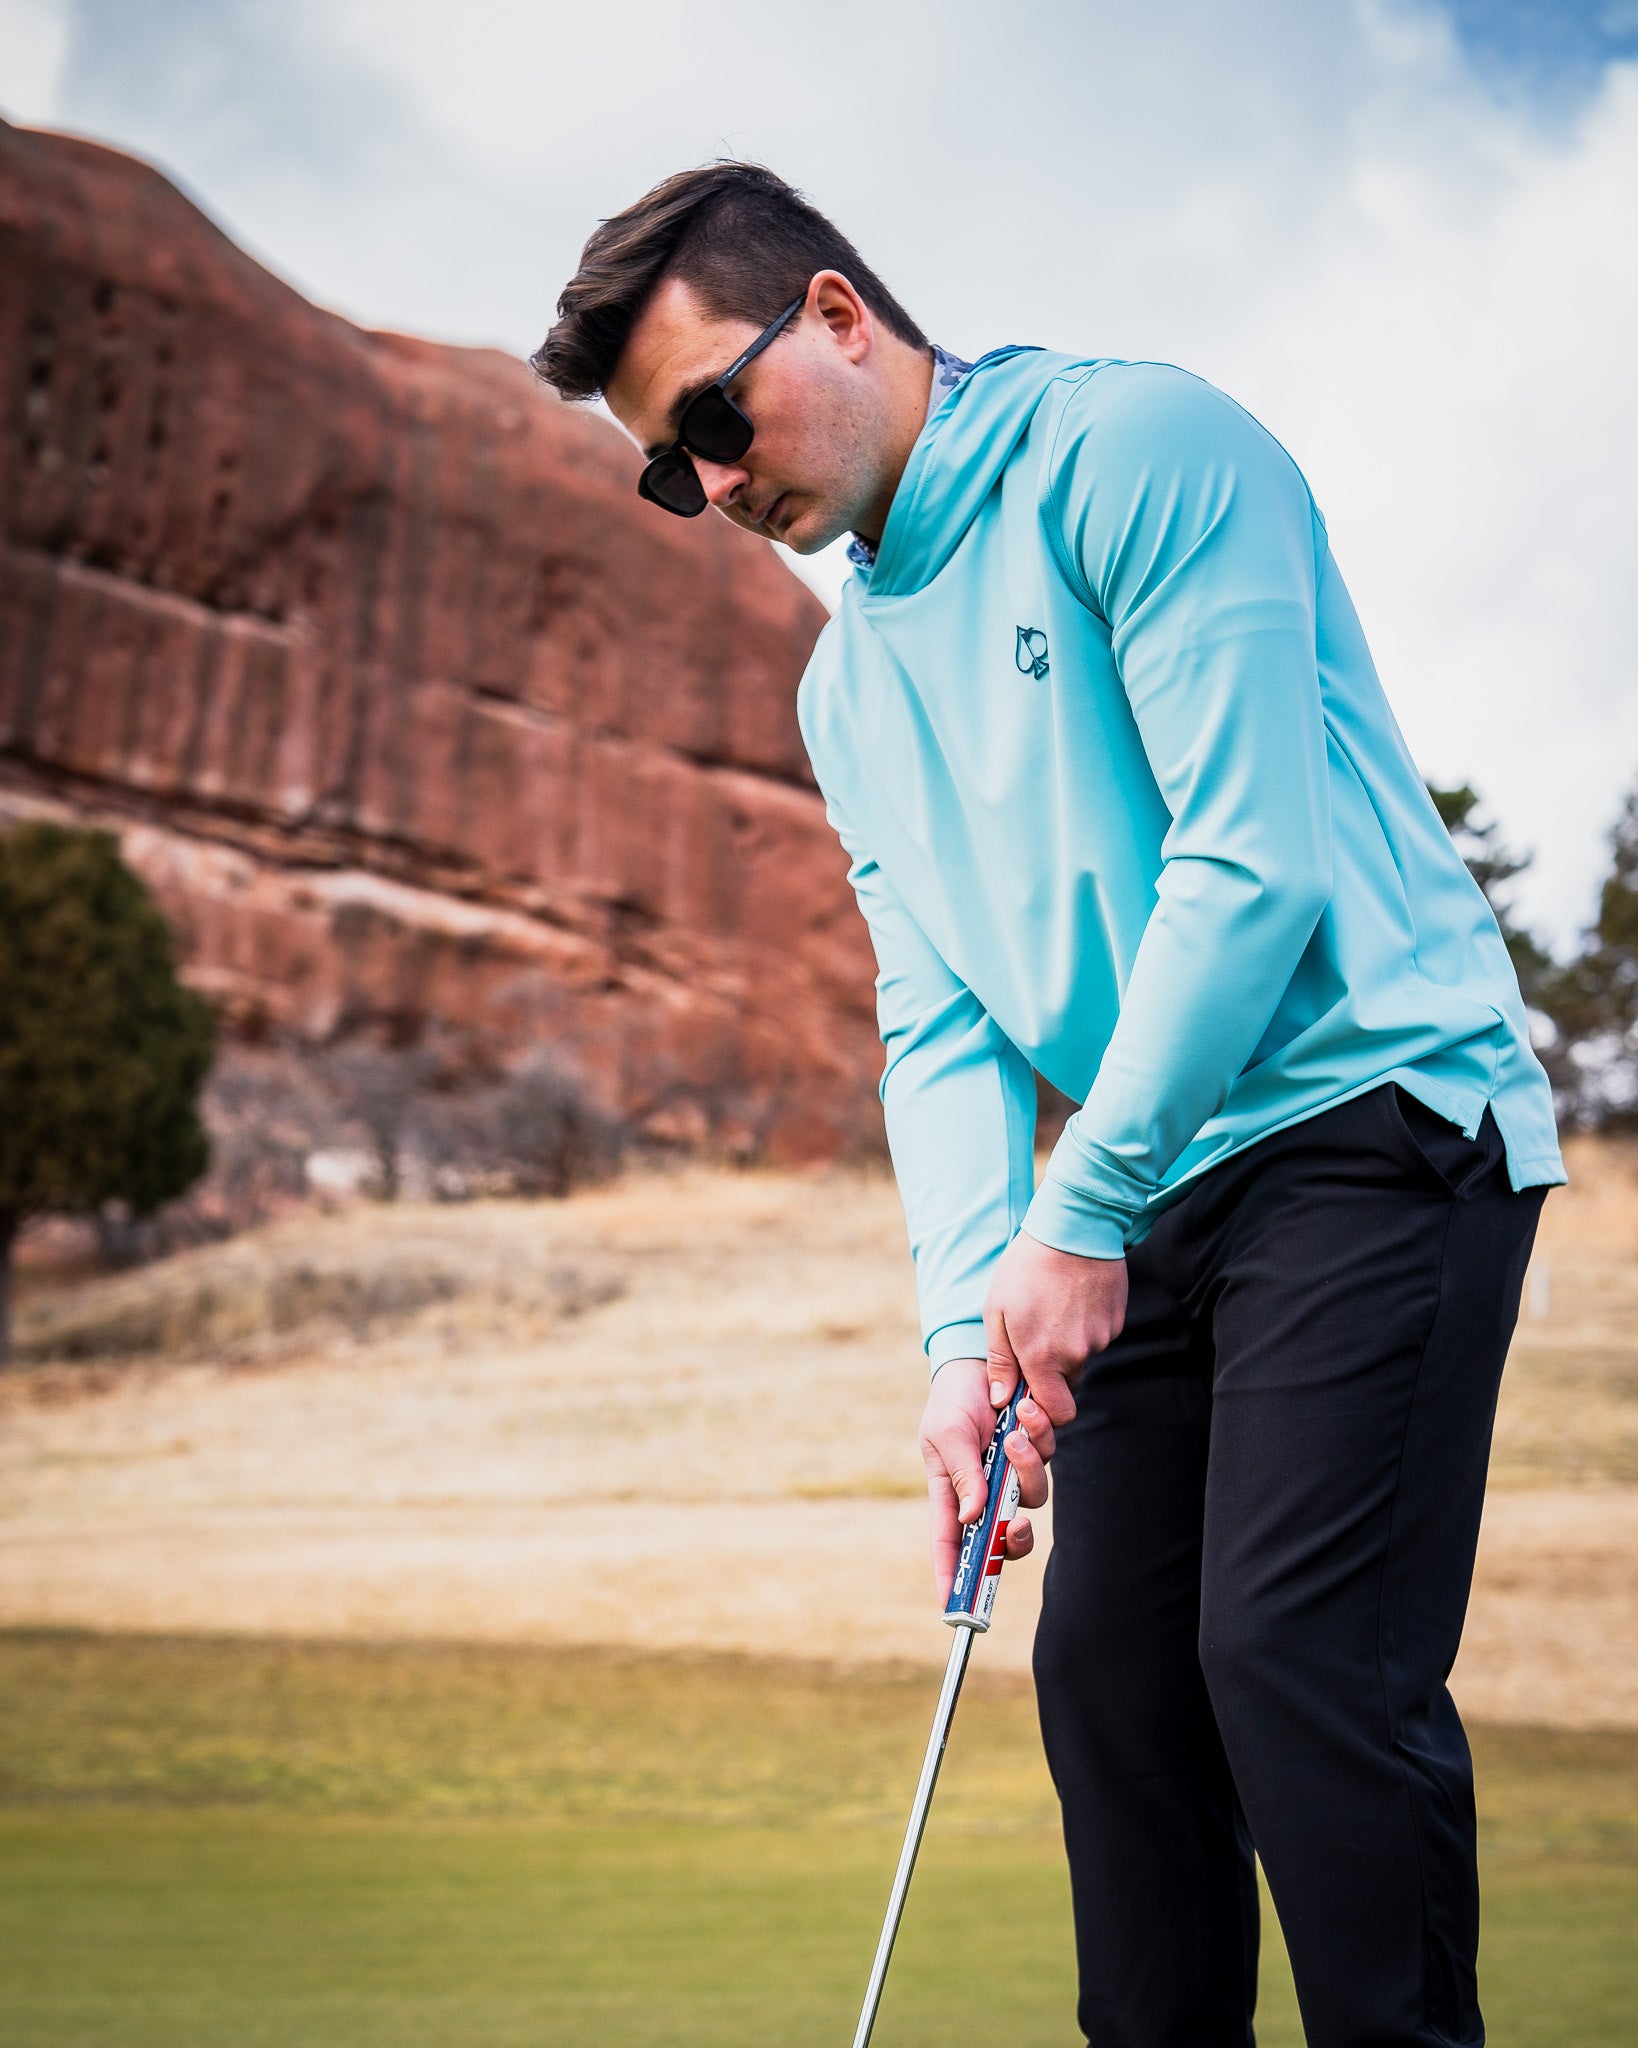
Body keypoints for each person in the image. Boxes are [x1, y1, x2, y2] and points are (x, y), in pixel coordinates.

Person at [533, 163, 1564, 2048]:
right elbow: (937, 1029)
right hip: (1157, 1182)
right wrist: (960, 1342)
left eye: (713, 421)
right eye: (669, 472)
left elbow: (1248, 866)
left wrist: (1076, 1211)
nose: (713, 484)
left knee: (1290, 1656)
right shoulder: (847, 693)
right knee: (1109, 1682)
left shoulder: (1135, 450)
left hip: (1377, 1114)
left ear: (836, 315)